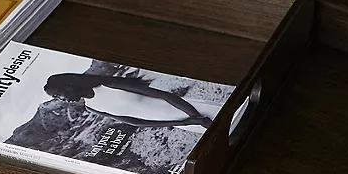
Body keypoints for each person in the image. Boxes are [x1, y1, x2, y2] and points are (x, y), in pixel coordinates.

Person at [43, 72, 221, 128]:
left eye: (58, 95)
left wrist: (196, 117)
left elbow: (164, 95)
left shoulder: (108, 84)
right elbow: (136, 122)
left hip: (194, 110)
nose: (61, 100)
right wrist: (185, 123)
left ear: (68, 86)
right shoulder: (91, 108)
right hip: (189, 123)